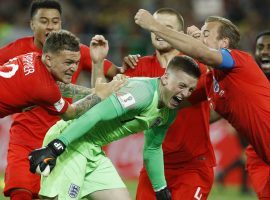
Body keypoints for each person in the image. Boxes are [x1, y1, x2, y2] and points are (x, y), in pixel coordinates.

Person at [29, 46, 201, 199]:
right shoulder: (142, 94)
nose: (185, 94)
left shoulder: (169, 112)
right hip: (71, 141)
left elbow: (153, 148)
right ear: (165, 78)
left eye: (190, 89)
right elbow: (95, 114)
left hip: (93, 149)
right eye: (182, 85)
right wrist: (55, 147)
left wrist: (160, 187)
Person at [2, 1, 120, 199]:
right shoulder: (40, 81)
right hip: (26, 137)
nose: (73, 68)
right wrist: (99, 94)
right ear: (32, 24)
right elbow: (69, 112)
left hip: (60, 139)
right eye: (44, 21)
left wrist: (97, 87)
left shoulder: (36, 58)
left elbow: (63, 87)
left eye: (55, 21)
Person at [93, 8, 215, 200]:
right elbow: (101, 95)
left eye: (166, 28)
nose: (159, 32)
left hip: (192, 166)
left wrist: (202, 44)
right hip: (154, 164)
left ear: (179, 35)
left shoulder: (196, 65)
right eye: (155, 26)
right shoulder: (138, 67)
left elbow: (219, 77)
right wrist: (98, 62)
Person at [134, 10, 270, 165]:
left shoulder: (238, 59)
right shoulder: (210, 82)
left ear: (223, 43)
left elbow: (202, 53)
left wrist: (155, 26)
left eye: (205, 33)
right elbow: (174, 103)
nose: (198, 36)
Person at [245, 30, 270, 199]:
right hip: (259, 154)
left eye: (269, 47)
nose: (265, 51)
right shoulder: (247, 81)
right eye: (260, 47)